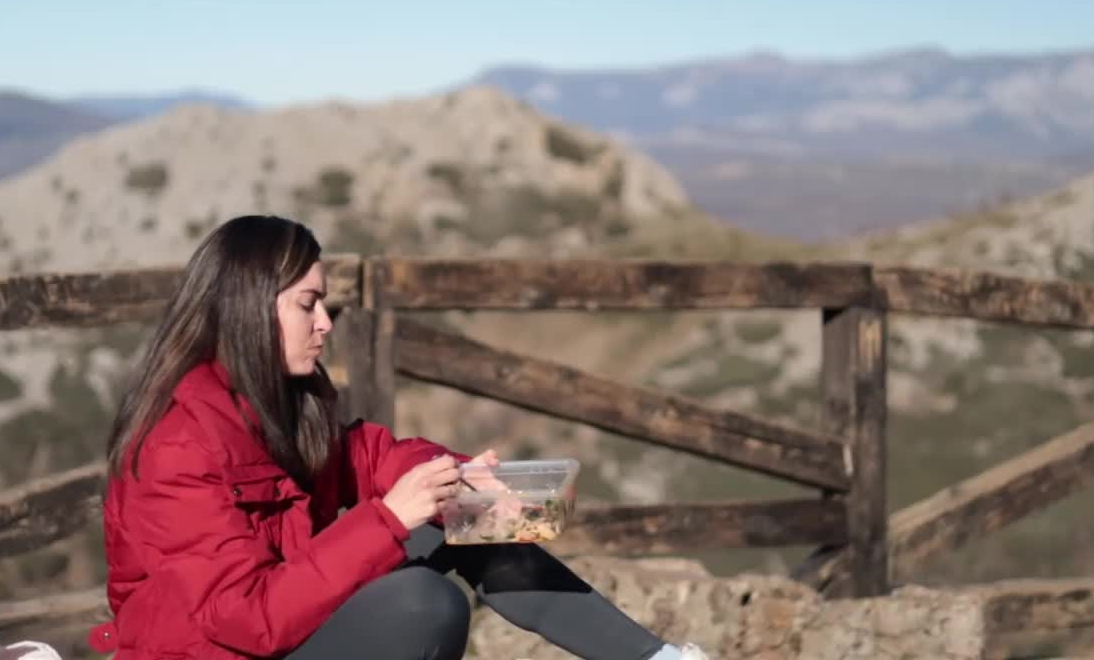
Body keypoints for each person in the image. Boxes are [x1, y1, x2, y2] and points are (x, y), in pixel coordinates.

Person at [88, 214, 709, 660]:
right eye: (308, 305)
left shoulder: (280, 400)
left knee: (464, 516)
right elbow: (248, 619)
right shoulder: (175, 445)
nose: (325, 324)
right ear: (250, 308)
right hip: (231, 649)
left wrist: (457, 478)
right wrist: (387, 520)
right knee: (422, 603)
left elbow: (370, 453)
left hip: (285, 628)